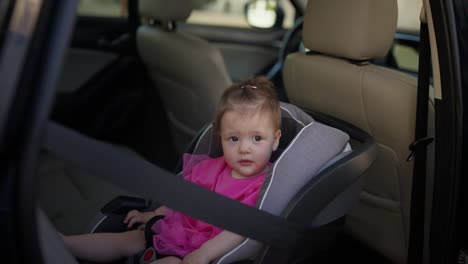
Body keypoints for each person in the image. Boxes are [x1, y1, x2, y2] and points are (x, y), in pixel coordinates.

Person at [62, 76, 282, 264]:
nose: (244, 148)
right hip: (175, 229)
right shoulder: (210, 167)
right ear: (221, 138)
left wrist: (204, 254)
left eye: (257, 138)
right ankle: (64, 244)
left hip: (202, 250)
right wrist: (154, 214)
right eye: (233, 138)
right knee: (131, 239)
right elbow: (183, 198)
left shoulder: (265, 187)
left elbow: (240, 231)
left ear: (275, 140)